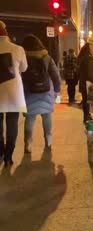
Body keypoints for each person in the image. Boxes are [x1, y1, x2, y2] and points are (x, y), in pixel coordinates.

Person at [21, 34, 61, 153]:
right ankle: (48, 140)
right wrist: (57, 91)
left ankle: (28, 143)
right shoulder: (46, 57)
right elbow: (55, 76)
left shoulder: (23, 57)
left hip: (29, 92)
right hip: (46, 92)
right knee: (46, 116)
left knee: (29, 118)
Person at [0, 20, 28, 166]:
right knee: (12, 125)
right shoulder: (18, 49)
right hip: (13, 94)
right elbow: (24, 68)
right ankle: (8, 156)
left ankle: (0, 152)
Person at [77, 42, 93, 123]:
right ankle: (86, 117)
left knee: (86, 100)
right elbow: (90, 72)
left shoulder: (83, 58)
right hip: (89, 84)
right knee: (87, 101)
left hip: (84, 83)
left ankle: (87, 116)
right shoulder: (88, 59)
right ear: (88, 49)